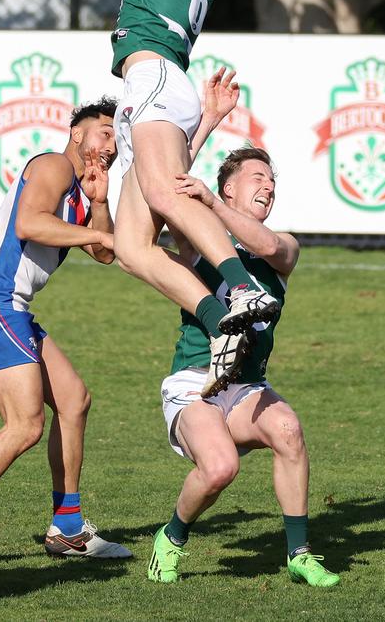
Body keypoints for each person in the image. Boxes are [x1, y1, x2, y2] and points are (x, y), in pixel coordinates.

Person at [94, 0, 279, 378]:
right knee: (131, 247)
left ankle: (239, 286)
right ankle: (215, 315)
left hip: (153, 79)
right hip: (165, 84)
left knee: (165, 192)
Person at [0, 97, 131, 572]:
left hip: (9, 308)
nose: (111, 144)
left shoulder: (83, 187)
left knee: (74, 400)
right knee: (26, 425)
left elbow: (103, 253)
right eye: (103, 132)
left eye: (117, 138)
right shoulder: (55, 165)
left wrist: (100, 205)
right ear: (76, 133)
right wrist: (98, 235)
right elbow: (29, 222)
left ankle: (68, 527)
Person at [148, 147, 340, 588]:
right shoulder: (199, 240)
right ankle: (171, 537)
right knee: (219, 470)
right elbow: (161, 186)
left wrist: (213, 204)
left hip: (247, 386)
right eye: (257, 177)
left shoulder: (283, 245)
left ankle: (299, 554)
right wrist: (205, 122)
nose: (268, 186)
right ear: (228, 188)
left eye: (271, 181)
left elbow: (271, 245)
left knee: (288, 430)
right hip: (197, 384)